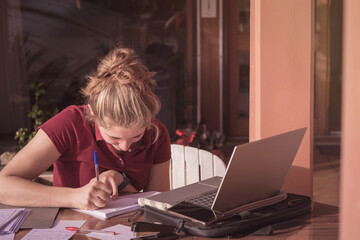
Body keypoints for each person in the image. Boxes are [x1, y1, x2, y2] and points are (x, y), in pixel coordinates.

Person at [0, 47, 171, 210]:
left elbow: (158, 203)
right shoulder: (70, 124)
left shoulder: (156, 133)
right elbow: (4, 186)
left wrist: (122, 181)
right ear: (93, 113)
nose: (126, 147)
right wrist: (75, 197)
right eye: (114, 138)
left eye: (137, 136)